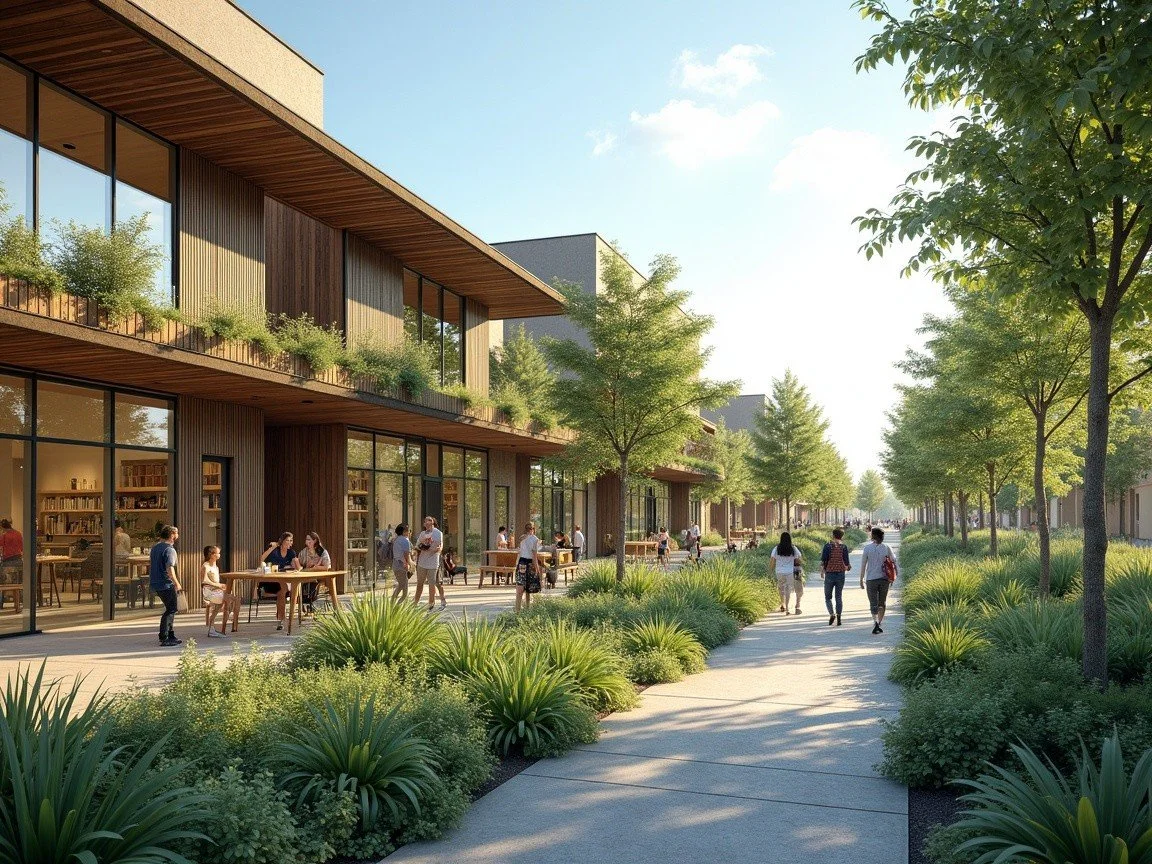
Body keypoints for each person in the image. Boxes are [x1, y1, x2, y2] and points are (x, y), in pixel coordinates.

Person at [259, 531, 300, 631]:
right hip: (270, 579)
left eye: (291, 541)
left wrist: (295, 565)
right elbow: (262, 559)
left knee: (282, 592)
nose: (289, 543)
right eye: (287, 540)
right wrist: (272, 547)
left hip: (282, 578)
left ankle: (280, 620)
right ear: (282, 541)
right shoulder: (275, 550)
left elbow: (298, 567)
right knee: (283, 589)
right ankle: (282, 618)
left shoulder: (291, 552)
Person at [859, 526, 897, 634]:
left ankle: (875, 622)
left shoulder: (867, 548)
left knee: (873, 603)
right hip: (884, 579)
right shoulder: (887, 547)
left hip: (871, 579)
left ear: (873, 536)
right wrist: (894, 576)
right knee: (882, 602)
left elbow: (863, 565)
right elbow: (894, 561)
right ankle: (879, 623)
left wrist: (861, 579)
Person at [149, 525, 182, 646]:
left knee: (170, 608)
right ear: (172, 535)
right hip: (166, 583)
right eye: (177, 533)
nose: (178, 536)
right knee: (171, 609)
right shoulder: (169, 549)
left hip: (156, 582)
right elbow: (169, 568)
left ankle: (170, 634)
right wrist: (176, 582)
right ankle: (165, 637)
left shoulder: (155, 548)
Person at [201, 545, 239, 637]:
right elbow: (204, 580)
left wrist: (221, 586)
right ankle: (222, 625)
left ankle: (213, 627)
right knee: (231, 599)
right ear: (211, 554)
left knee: (234, 599)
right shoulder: (205, 566)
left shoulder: (216, 567)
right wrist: (219, 585)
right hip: (209, 592)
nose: (219, 555)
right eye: (218, 553)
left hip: (217, 591)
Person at [820, 527, 852, 626]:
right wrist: (847, 567)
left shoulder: (827, 546)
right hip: (841, 574)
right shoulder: (844, 547)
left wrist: (822, 571)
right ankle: (839, 617)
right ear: (842, 536)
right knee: (838, 596)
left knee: (828, 597)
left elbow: (824, 560)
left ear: (833, 535)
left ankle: (831, 614)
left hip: (829, 573)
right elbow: (846, 562)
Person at [413, 516, 445, 611]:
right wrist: (421, 547)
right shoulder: (422, 534)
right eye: (425, 521)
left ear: (433, 523)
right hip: (422, 562)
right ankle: (415, 603)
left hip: (433, 562)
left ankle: (431, 603)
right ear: (424, 524)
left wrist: (438, 549)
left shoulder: (438, 533)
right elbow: (417, 546)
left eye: (429, 521)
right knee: (420, 583)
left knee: (432, 583)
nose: (427, 523)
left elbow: (440, 545)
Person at [770, 531, 804, 615]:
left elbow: (772, 560)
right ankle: (788, 608)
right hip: (789, 571)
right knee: (788, 589)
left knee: (781, 588)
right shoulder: (793, 548)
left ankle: (783, 604)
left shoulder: (776, 548)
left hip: (779, 571)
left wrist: (770, 570)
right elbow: (799, 559)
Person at [515, 521, 546, 612]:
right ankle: (520, 610)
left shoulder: (532, 539)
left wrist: (537, 569)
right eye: (528, 528)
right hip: (524, 562)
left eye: (531, 528)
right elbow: (532, 556)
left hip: (526, 562)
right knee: (523, 587)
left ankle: (524, 610)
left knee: (526, 587)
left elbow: (533, 556)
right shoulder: (527, 539)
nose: (530, 530)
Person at [298, 531, 331, 613]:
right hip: (306, 575)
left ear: (315, 541)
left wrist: (315, 566)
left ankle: (311, 602)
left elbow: (327, 567)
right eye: (306, 539)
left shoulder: (321, 551)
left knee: (314, 581)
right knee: (299, 581)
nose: (306, 541)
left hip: (318, 575)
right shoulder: (304, 552)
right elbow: (299, 564)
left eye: (309, 539)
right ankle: (304, 602)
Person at [0, 519, 22, 609]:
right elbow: (22, 547)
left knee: (3, 583)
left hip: (8, 561)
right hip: (18, 561)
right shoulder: (18, 533)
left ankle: (1, 603)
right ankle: (17, 604)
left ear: (2, 527)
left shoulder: (4, 535)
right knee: (16, 583)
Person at [390, 523, 413, 600]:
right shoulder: (405, 540)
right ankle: (395, 606)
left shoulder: (396, 540)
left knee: (400, 586)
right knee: (404, 592)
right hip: (402, 565)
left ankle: (392, 603)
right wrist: (409, 565)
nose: (409, 532)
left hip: (396, 565)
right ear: (404, 531)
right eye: (408, 530)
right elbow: (407, 555)